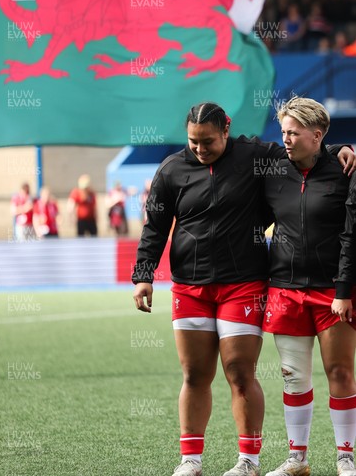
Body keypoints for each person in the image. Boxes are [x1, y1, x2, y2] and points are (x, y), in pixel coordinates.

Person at [132, 102, 356, 476]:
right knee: (194, 374)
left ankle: (250, 460)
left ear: (226, 131)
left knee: (240, 371)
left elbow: (307, 147)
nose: (200, 149)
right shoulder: (172, 169)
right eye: (193, 142)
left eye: (208, 142)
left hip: (245, 284)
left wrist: (341, 147)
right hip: (191, 286)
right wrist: (143, 273)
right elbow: (155, 225)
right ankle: (191, 460)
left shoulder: (255, 156)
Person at [262, 97, 356, 476]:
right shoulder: (270, 167)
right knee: (294, 376)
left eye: (294, 133)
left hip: (333, 291)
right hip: (284, 288)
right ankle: (297, 459)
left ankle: (346, 456)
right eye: (283, 131)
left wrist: (344, 290)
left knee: (340, 373)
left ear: (316, 136)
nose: (285, 139)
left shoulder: (344, 171)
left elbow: (351, 235)